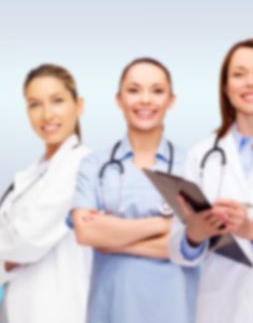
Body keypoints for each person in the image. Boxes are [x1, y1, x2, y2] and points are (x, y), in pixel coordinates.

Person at [170, 38, 253, 323]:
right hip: (220, 307)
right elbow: (177, 249)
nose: (251, 83)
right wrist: (194, 235)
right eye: (239, 74)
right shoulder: (201, 155)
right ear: (225, 87)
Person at [70, 57, 198, 322]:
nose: (145, 100)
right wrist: (165, 224)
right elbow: (86, 232)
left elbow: (194, 246)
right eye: (134, 90)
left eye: (157, 91)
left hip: (174, 310)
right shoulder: (94, 164)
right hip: (112, 308)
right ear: (119, 100)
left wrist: (112, 237)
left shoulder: (193, 165)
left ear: (171, 101)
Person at [0, 64, 93, 322]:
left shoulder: (81, 167)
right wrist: (3, 253)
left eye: (57, 101)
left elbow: (27, 241)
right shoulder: (26, 179)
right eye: (35, 104)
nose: (46, 115)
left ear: (79, 105)